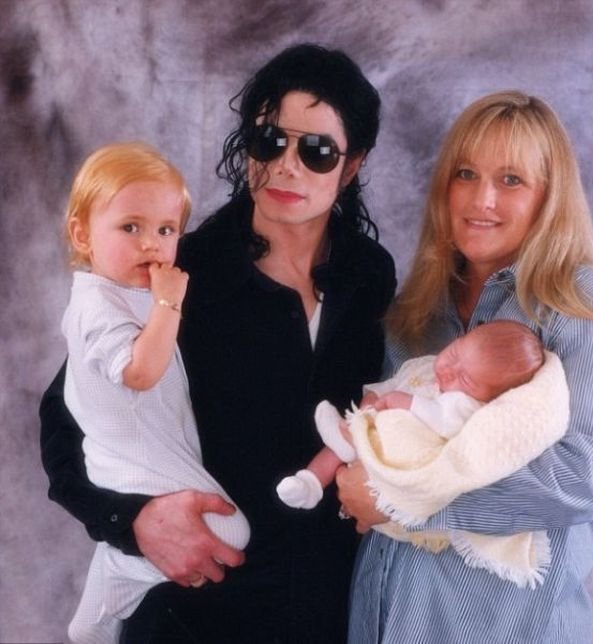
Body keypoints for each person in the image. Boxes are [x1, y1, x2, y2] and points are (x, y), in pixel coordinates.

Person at [40, 44, 396, 643]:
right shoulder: (179, 274)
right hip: (194, 610)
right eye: (268, 141)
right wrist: (134, 521)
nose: (286, 166)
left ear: (352, 165)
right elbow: (65, 422)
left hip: (326, 610)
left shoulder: (369, 274)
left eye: (316, 151)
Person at [336, 90, 593, 643]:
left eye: (511, 180)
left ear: (548, 197)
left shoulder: (589, 308)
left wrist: (401, 501)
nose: (482, 199)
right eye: (466, 174)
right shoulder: (416, 311)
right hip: (386, 619)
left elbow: (577, 480)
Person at [59, 142, 251, 644]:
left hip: (155, 450)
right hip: (132, 462)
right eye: (131, 227)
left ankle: (112, 586)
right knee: (231, 531)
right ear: (82, 234)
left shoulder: (128, 295)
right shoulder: (98, 305)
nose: (151, 244)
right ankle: (118, 572)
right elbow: (141, 372)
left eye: (166, 230)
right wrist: (169, 303)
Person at [278, 319, 570, 589]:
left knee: (349, 444)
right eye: (454, 354)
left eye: (465, 379)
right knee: (344, 444)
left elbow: (442, 419)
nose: (448, 370)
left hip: (405, 471)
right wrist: (372, 400)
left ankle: (346, 476)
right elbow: (391, 384)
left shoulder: (467, 407)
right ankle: (311, 481)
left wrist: (404, 402)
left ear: (489, 397)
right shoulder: (426, 368)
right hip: (370, 453)